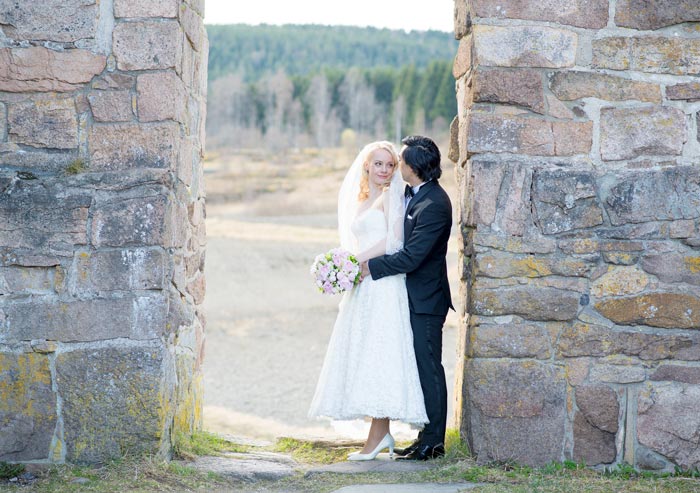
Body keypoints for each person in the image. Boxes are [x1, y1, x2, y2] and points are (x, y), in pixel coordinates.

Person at [308, 141, 428, 461]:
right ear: (366, 166)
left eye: (390, 165)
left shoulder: (392, 197)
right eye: (378, 164)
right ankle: (379, 435)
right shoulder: (363, 199)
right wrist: (346, 267)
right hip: (364, 285)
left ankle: (378, 437)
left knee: (381, 352)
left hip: (384, 284)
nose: (384, 170)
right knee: (364, 352)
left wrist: (354, 261)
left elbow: (393, 241)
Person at [363, 135, 453, 461]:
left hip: (427, 300)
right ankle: (424, 437)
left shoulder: (435, 204)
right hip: (413, 298)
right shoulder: (417, 195)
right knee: (420, 368)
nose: (396, 166)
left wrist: (368, 267)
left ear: (412, 166)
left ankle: (434, 443)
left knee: (429, 369)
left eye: (400, 161)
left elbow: (412, 258)